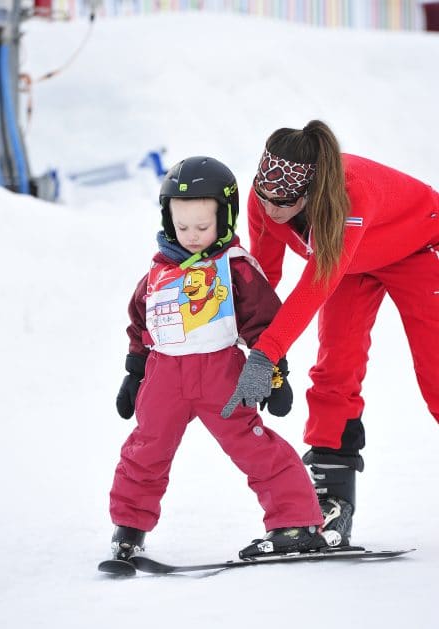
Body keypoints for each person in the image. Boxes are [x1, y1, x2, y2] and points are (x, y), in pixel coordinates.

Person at [222, 120, 439, 546]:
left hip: (419, 248)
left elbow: (315, 285)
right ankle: (330, 499)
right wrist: (257, 348)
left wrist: (266, 357)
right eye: (262, 196)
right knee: (334, 370)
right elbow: (264, 282)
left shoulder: (349, 198)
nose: (269, 209)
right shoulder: (264, 197)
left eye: (281, 201)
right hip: (352, 265)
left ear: (308, 194)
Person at [109, 156, 326, 563]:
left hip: (221, 375)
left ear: (224, 219)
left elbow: (264, 321)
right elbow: (141, 322)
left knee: (255, 447)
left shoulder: (235, 267)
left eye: (203, 227)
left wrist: (277, 374)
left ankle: (295, 521)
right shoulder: (157, 272)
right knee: (144, 450)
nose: (192, 236)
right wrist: (133, 373)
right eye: (182, 226)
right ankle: (129, 528)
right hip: (164, 377)